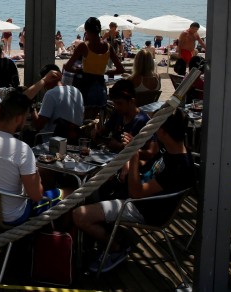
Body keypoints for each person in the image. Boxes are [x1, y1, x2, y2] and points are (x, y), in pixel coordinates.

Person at [73, 108, 196, 273]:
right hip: (139, 198)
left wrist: (134, 154)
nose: (151, 129)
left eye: (154, 126)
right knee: (90, 188)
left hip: (143, 208)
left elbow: (136, 193)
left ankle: (117, 247)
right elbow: (149, 171)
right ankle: (94, 241)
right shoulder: (174, 149)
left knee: (79, 215)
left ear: (164, 131)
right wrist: (129, 163)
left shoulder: (178, 167)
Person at [0, 89, 71, 226]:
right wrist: (38, 180)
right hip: (12, 216)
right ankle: (56, 236)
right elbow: (36, 196)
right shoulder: (22, 149)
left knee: (43, 173)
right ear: (19, 118)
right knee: (70, 193)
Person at [64, 17, 124, 107]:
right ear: (99, 30)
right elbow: (120, 70)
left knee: (85, 115)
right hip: (100, 85)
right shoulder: (108, 47)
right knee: (98, 112)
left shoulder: (84, 46)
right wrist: (106, 72)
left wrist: (79, 70)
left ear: (86, 30)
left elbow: (67, 67)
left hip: (85, 87)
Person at [99, 80, 159, 166]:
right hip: (110, 160)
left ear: (131, 101)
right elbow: (103, 132)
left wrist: (121, 147)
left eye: (119, 103)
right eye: (114, 103)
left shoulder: (142, 121)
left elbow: (152, 153)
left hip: (130, 166)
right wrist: (97, 132)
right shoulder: (117, 114)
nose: (116, 106)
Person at [30, 64, 84, 138]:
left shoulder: (51, 94)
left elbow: (39, 126)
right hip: (74, 139)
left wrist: (31, 106)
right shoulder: (76, 91)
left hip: (53, 141)